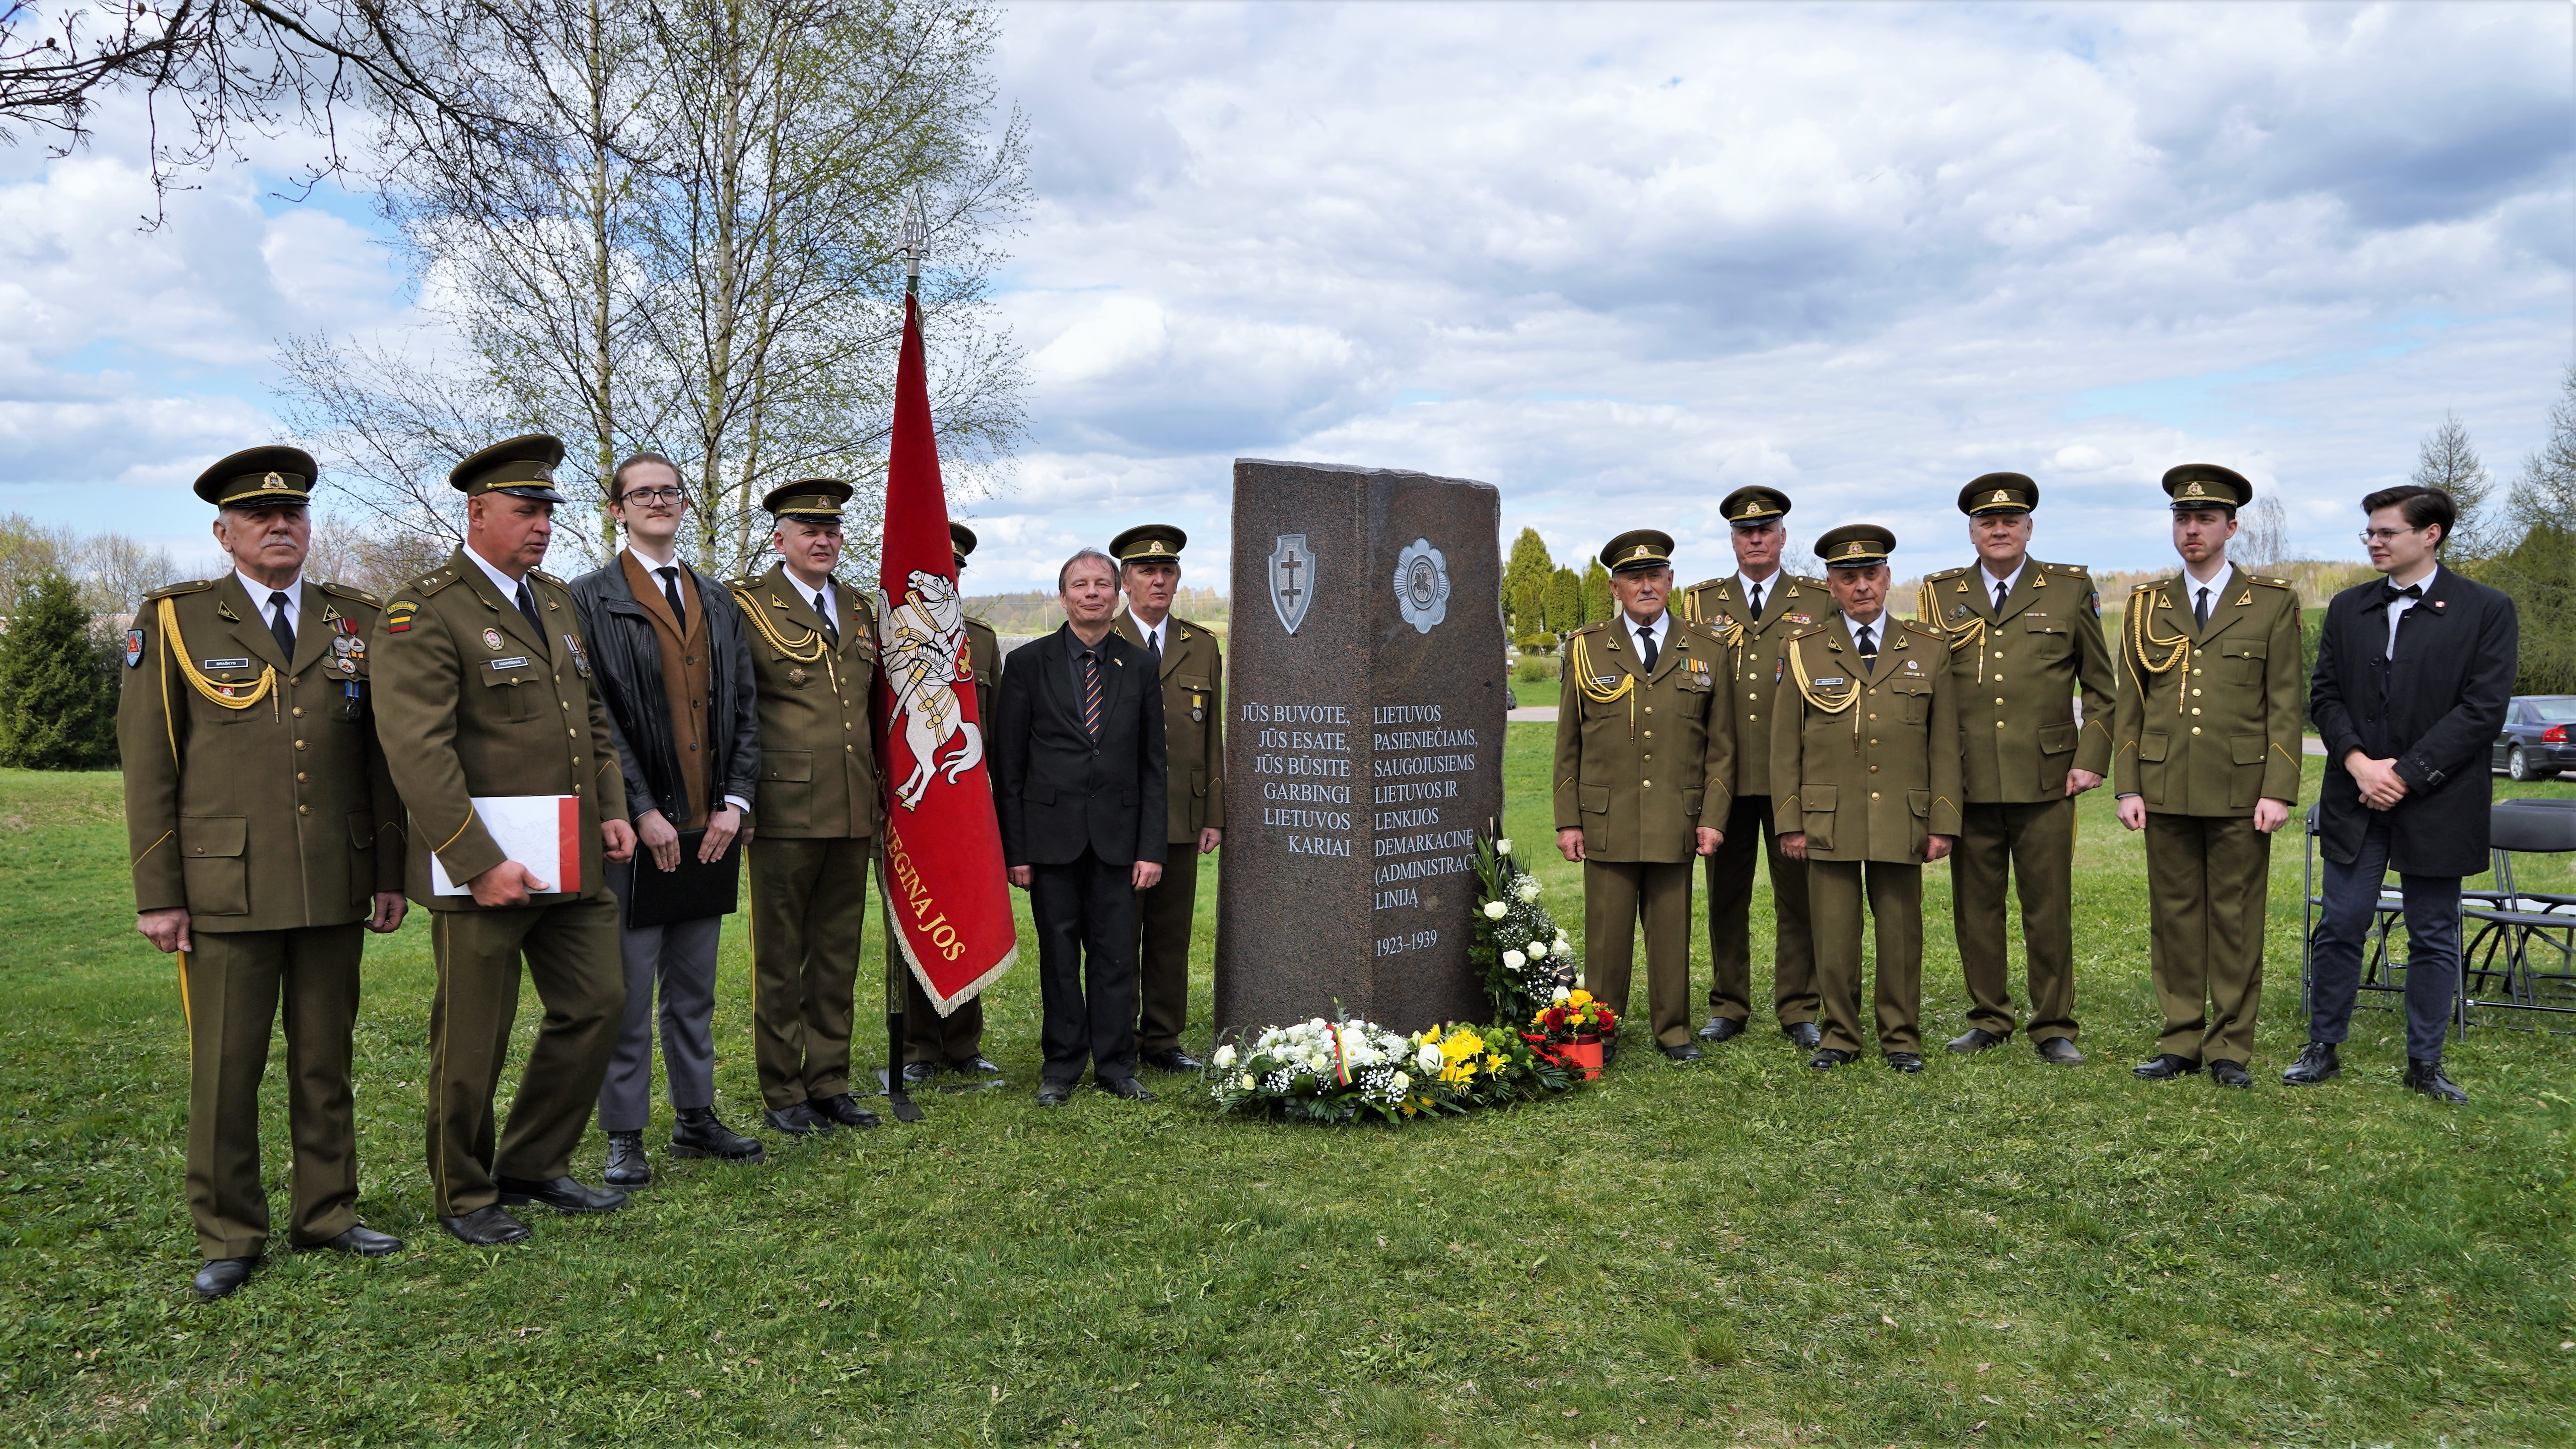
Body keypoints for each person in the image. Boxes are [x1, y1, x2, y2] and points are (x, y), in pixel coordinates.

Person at [118, 445, 409, 1298]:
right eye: (259, 516)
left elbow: (381, 760)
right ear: (225, 533)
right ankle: (229, 1231)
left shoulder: (353, 618)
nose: (280, 526)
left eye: (294, 514)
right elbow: (149, 766)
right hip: (223, 891)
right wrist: (159, 894)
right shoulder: (175, 619)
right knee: (226, 1067)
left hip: (333, 881)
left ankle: (327, 1211)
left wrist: (387, 871)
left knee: (326, 1060)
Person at [371, 433, 640, 1245]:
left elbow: (586, 721)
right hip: (482, 866)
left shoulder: (555, 602)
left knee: (598, 1002)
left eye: (547, 513)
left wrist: (611, 806)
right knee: (472, 1037)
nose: (541, 527)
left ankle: (533, 1162)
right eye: (524, 511)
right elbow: (417, 750)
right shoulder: (426, 608)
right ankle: (464, 1192)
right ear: (476, 512)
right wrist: (477, 861)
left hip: (568, 852)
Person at [567, 453, 766, 1186]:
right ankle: (624, 1131)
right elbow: (598, 720)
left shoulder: (717, 600)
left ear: (685, 505)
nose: (658, 501)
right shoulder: (586, 599)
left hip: (709, 828)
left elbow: (746, 708)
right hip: (635, 830)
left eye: (669, 491)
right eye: (641, 493)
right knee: (626, 989)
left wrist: (735, 803)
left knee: (696, 987)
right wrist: (639, 808)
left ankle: (695, 1116)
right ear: (617, 508)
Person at [2295, 485, 2515, 1103]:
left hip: (2438, 800)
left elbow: (2482, 709)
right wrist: (2361, 764)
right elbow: (2325, 696)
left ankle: (2424, 1062)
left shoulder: (2485, 609)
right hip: (2356, 795)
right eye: (2369, 531)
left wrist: (2407, 773)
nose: (2373, 541)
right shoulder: (2346, 608)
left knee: (2433, 930)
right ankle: (2322, 1046)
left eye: (2386, 531)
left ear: (2430, 534)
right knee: (2340, 921)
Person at [2112, 465, 2304, 1091]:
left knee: (2235, 918)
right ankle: (2179, 1040)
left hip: (2240, 790)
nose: (2191, 529)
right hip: (2164, 786)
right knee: (2173, 917)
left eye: (2204, 519)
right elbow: (2130, 704)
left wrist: (2277, 788)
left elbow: (2283, 704)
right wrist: (2128, 784)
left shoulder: (2271, 604)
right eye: (2181, 518)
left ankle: (2230, 1047)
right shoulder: (2147, 606)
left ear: (2231, 526)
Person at [1917, 475, 2115, 1065]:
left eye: (2010, 521)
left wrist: (2091, 759)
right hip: (1968, 777)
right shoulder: (1940, 593)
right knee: (1975, 907)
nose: (1998, 530)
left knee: (2046, 905)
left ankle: (2053, 1023)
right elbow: (1926, 690)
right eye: (1986, 522)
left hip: (2047, 777)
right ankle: (1989, 1016)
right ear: (1972, 531)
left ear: (2029, 528)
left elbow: (2101, 687)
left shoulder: (2067, 587)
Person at [1772, 524, 1959, 1073]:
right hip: (1827, 816)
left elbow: (1944, 744)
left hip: (1903, 814)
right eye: (1847, 577)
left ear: (1887, 577)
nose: (1860, 587)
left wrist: (1943, 820)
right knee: (1833, 934)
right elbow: (1784, 747)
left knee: (1901, 932)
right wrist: (1790, 821)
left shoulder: (1927, 648)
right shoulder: (1804, 651)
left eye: (1870, 575)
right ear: (1830, 585)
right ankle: (1840, 1036)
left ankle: (1901, 1038)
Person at [729, 480, 884, 1134]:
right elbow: (736, 708)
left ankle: (829, 1080)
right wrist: (738, 799)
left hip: (851, 805)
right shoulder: (746, 605)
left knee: (836, 952)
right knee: (781, 956)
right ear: (779, 538)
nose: (823, 540)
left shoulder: (857, 606)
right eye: (808, 529)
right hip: (783, 807)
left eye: (832, 530)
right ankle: (783, 1089)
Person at [993, 548, 1167, 1105]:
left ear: (1116, 595)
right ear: (1063, 596)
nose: (1091, 593)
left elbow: (1152, 765)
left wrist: (1151, 848)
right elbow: (1010, 766)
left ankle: (1116, 1066)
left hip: (1119, 839)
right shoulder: (1027, 664)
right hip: (1050, 840)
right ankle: (1062, 1065)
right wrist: (1016, 851)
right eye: (1079, 584)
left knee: (1117, 956)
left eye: (1101, 584)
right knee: (1060, 956)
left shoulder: (1138, 666)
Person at [1555, 530, 1733, 1062]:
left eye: (1655, 575)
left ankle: (1672, 1029)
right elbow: (1568, 744)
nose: (1646, 585)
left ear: (1671, 581)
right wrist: (1569, 821)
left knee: (1670, 929)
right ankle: (1602, 1029)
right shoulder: (1585, 648)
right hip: (1606, 817)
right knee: (1606, 936)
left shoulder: (1706, 649)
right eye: (1634, 578)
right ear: (1615, 587)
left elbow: (1722, 748)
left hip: (1675, 818)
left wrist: (1713, 817)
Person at [1678, 486, 1826, 1049]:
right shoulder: (1701, 602)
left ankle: (1798, 1006)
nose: (1756, 538)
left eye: (1766, 529)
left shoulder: (1817, 598)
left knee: (1799, 898)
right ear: (1733, 540)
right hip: (1725, 780)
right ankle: (1729, 1004)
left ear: (1783, 537)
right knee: (1725, 897)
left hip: (1796, 777)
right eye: (1745, 531)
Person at [1109, 523, 1226, 1073]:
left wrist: (1213, 814)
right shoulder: (1101, 640)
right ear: (1124, 582)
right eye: (1146, 571)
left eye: (1167, 571)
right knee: (1117, 933)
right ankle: (1117, 1038)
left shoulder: (1199, 645)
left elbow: (1213, 737)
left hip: (1183, 811)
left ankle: (1162, 1039)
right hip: (1120, 819)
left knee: (1169, 933)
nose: (1158, 580)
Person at [899, 521, 1004, 1085]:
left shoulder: (981, 640)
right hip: (912, 811)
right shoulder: (894, 634)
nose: (949, 577)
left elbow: (998, 734)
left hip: (966, 807)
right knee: (915, 918)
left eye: (955, 570)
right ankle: (918, 1047)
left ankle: (964, 1043)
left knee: (963, 915)